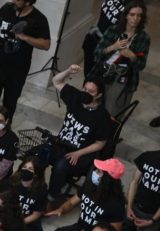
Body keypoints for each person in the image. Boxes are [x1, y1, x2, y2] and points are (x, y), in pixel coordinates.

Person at [46, 65, 115, 201]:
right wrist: (67, 71)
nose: (86, 93)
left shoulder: (102, 116)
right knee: (39, 155)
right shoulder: (76, 96)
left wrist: (79, 153)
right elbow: (56, 81)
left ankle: (51, 197)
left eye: (91, 92)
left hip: (81, 152)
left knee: (61, 166)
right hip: (62, 143)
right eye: (85, 89)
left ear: (99, 95)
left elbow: (100, 143)